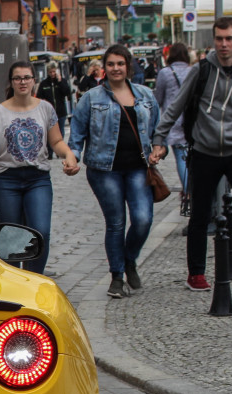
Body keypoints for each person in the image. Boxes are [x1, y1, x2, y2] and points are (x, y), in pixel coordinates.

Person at [150, 17, 232, 294]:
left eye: (229, 38)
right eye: (219, 38)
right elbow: (176, 107)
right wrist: (159, 137)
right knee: (200, 215)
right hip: (204, 151)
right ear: (213, 40)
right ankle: (197, 273)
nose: (224, 44)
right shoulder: (201, 70)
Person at [69, 44, 160, 298]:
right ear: (104, 68)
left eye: (120, 64)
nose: (116, 68)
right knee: (116, 222)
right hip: (103, 169)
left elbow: (159, 128)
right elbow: (77, 134)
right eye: (111, 64)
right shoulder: (91, 98)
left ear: (127, 66)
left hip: (139, 168)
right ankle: (117, 276)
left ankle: (129, 259)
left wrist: (159, 148)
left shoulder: (145, 95)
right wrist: (72, 157)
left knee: (143, 219)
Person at [0, 61, 80, 275]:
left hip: (38, 179)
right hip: (6, 179)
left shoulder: (45, 109)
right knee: (11, 235)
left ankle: (35, 278)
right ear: (12, 82)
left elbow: (57, 141)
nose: (22, 82)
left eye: (26, 77)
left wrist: (69, 154)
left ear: (34, 80)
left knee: (40, 231)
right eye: (18, 78)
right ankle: (14, 282)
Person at [154, 43, 194, 198]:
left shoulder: (165, 73)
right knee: (191, 158)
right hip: (191, 118)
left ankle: (188, 192)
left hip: (174, 118)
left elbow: (159, 97)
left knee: (181, 158)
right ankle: (192, 189)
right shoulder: (193, 71)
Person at [37, 61, 72, 140]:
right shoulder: (44, 84)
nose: (52, 74)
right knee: (50, 133)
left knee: (61, 132)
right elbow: (39, 96)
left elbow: (67, 92)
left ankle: (59, 150)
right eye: (50, 72)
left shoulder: (62, 81)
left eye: (54, 71)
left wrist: (60, 82)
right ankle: (51, 150)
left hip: (61, 112)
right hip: (49, 113)